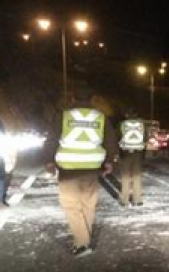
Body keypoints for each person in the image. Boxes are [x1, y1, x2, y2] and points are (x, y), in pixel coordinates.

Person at [43, 86, 118, 258]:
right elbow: (110, 140)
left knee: (70, 205)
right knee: (88, 203)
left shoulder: (63, 115)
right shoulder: (100, 117)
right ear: (92, 99)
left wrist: (48, 160)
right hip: (91, 167)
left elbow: (52, 139)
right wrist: (109, 161)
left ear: (73, 98)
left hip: (69, 168)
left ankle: (83, 244)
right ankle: (84, 238)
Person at [117, 111, 147, 206]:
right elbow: (145, 138)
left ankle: (124, 200)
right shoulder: (142, 125)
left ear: (126, 115)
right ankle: (137, 200)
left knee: (125, 177)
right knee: (137, 176)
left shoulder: (122, 125)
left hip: (125, 152)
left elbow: (117, 137)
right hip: (138, 152)